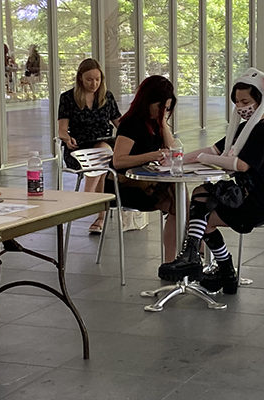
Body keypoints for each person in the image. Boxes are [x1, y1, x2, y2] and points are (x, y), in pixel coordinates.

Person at [160, 68, 264, 291]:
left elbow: (241, 165)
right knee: (201, 195)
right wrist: (177, 160)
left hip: (260, 201)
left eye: (245, 101)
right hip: (246, 195)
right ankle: (205, 260)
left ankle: (212, 263)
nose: (241, 107)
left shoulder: (262, 130)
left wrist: (204, 158)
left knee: (202, 213)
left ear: (260, 99)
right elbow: (216, 149)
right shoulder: (246, 128)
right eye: (237, 102)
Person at [109, 75, 179, 263]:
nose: (162, 112)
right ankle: (188, 254)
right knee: (177, 205)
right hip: (126, 185)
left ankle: (175, 259)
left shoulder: (156, 123)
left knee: (180, 200)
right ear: (149, 102)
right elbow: (118, 161)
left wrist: (163, 124)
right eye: (161, 107)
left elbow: (173, 151)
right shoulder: (131, 123)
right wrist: (152, 155)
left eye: (167, 109)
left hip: (147, 180)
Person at [58, 58, 122, 234]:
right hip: (79, 148)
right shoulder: (68, 98)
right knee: (102, 165)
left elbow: (119, 123)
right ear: (80, 79)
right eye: (89, 80)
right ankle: (99, 216)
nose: (94, 83)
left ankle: (87, 197)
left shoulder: (107, 97)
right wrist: (67, 138)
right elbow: (62, 130)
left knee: (102, 150)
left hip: (104, 143)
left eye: (97, 79)